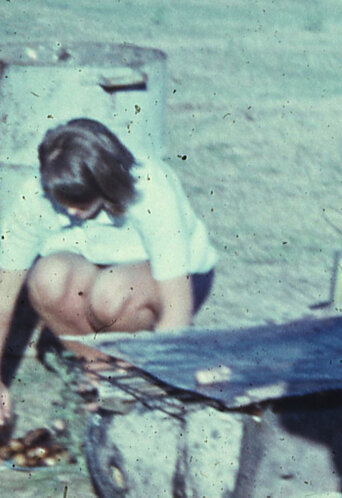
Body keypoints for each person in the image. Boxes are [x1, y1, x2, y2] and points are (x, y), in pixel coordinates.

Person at [0, 118, 220, 428]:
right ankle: (99, 373)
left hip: (175, 280)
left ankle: (133, 377)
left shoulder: (149, 187)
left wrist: (158, 379)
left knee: (110, 294)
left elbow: (177, 305)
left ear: (105, 184)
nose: (71, 212)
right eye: (64, 203)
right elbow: (3, 296)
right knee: (47, 278)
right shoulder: (34, 196)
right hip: (98, 274)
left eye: (80, 203)